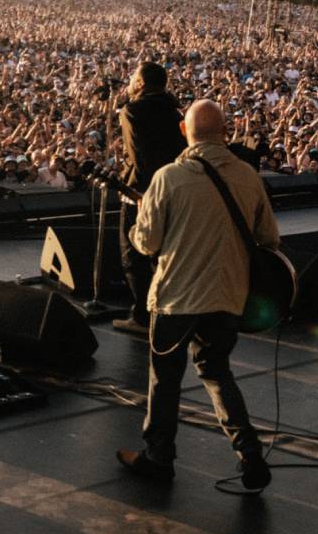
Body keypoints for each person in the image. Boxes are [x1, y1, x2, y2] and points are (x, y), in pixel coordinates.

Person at [117, 99, 276, 492]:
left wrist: (142, 218)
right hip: (226, 298)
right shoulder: (248, 177)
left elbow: (147, 243)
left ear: (184, 132)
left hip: (176, 298)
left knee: (165, 381)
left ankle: (159, 458)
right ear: (226, 131)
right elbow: (269, 239)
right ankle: (250, 455)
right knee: (218, 373)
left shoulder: (168, 178)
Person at [116, 61, 185, 335]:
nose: (131, 80)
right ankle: (165, 310)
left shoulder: (132, 110)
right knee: (162, 255)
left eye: (134, 77)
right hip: (172, 187)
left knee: (132, 254)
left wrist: (137, 190)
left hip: (140, 192)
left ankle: (142, 317)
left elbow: (138, 156)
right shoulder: (175, 110)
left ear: (141, 83)